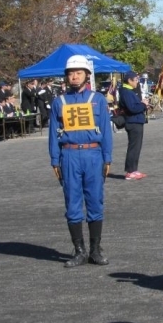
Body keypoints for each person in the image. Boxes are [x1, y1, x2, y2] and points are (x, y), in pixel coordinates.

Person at [48, 55, 113, 268]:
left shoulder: (98, 99)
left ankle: (95, 249)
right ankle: (79, 250)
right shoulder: (59, 102)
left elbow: (106, 131)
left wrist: (107, 157)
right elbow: (52, 134)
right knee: (72, 203)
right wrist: (55, 160)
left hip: (93, 155)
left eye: (78, 72)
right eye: (70, 73)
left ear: (87, 75)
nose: (74, 76)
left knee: (95, 201)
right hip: (69, 155)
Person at [118, 71, 149, 180]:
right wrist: (143, 105)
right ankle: (130, 171)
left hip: (135, 121)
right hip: (133, 122)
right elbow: (133, 108)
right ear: (129, 80)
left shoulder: (129, 91)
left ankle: (133, 170)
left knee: (136, 147)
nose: (137, 82)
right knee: (134, 147)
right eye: (135, 80)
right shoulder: (126, 92)